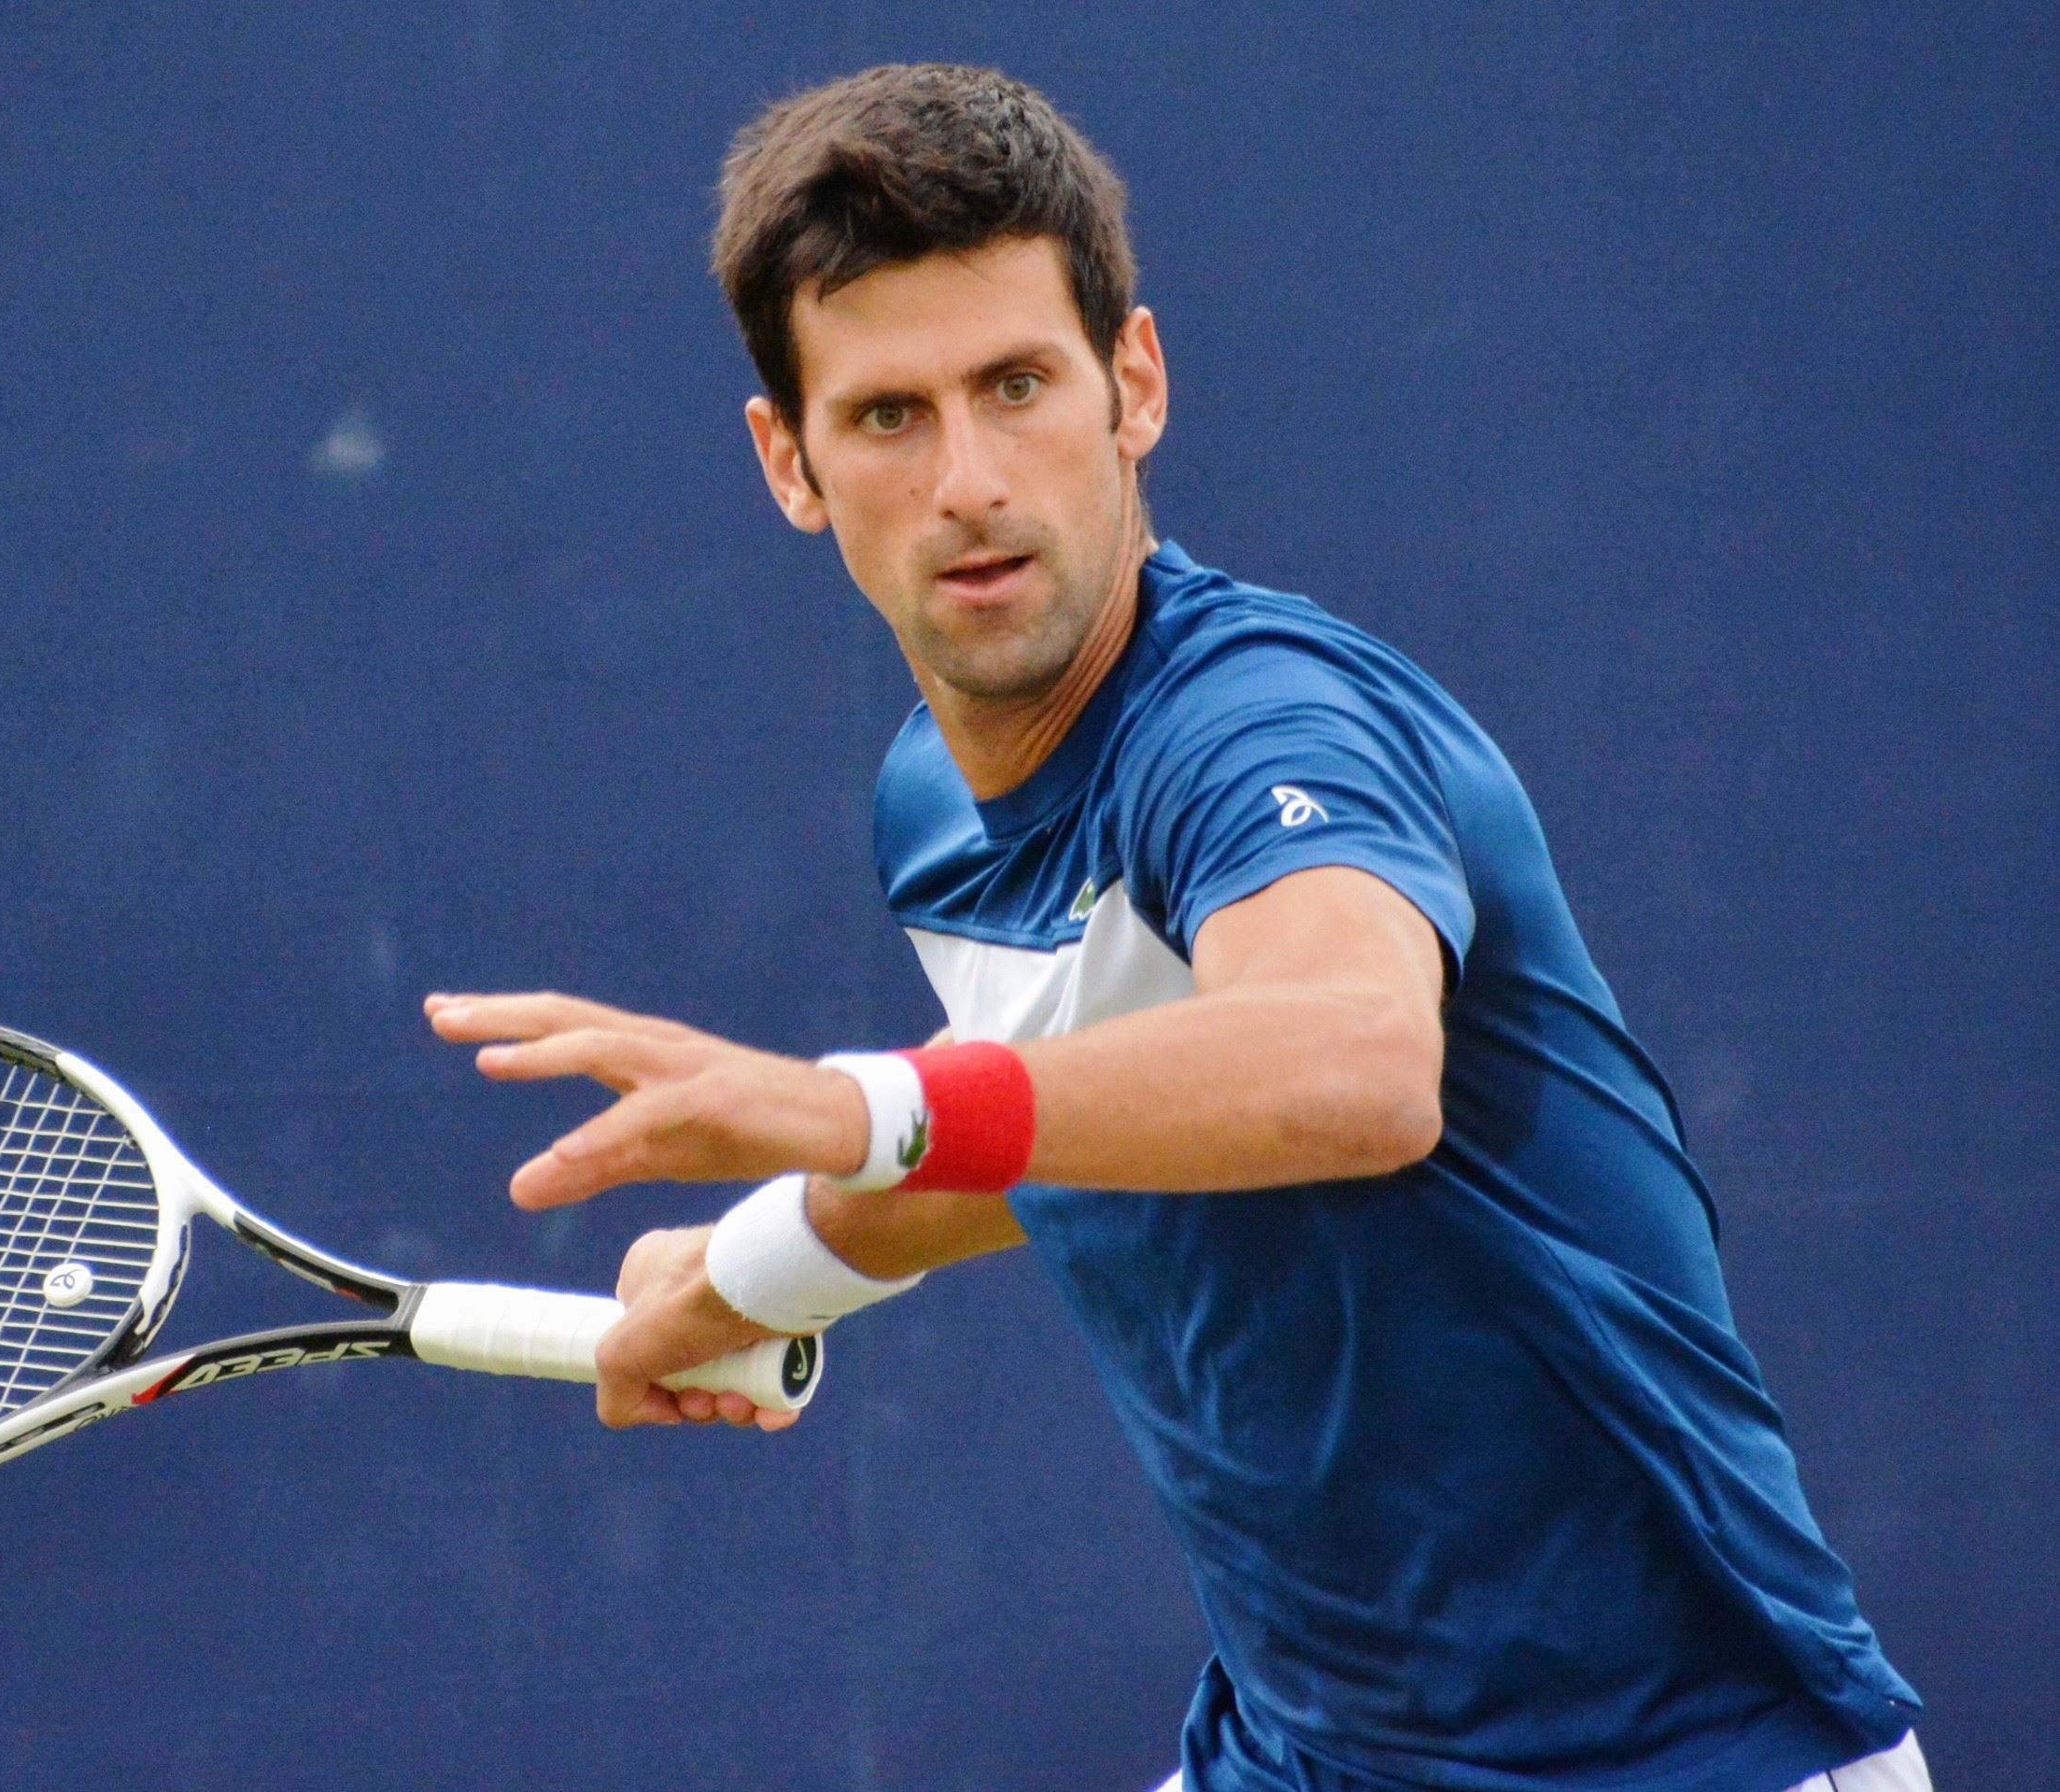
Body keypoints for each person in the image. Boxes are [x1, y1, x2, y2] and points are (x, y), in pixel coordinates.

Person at [425, 63, 1925, 1792]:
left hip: (1684, 1757)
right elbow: (1079, 1121)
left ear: (1133, 383)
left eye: (1017, 386)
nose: (969, 479)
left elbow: (1354, 1068)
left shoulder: (1262, 726)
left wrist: (857, 1104)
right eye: (889, 416)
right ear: (791, 464)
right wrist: (752, 1270)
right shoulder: (932, 802)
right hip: (1309, 1750)